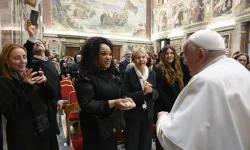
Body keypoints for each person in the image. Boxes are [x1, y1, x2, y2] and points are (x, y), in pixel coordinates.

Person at [157, 29, 250, 150]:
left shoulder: (205, 80)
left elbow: (176, 141)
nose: (184, 61)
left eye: (185, 55)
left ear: (201, 54)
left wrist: (162, 119)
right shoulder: (239, 69)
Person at [74, 37, 136, 150]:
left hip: (112, 125)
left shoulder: (111, 74)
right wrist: (115, 102)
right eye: (103, 54)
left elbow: (119, 92)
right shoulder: (85, 77)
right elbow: (87, 105)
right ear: (93, 56)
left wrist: (125, 99)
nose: (109, 57)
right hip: (95, 129)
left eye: (110, 54)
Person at [0, 44, 59, 150]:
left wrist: (45, 84)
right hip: (24, 137)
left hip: (44, 129)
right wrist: (25, 86)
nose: (23, 61)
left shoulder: (32, 74)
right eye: (17, 58)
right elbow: (12, 112)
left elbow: (50, 98)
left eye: (24, 57)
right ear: (7, 61)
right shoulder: (4, 82)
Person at [24, 20, 62, 136]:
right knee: (46, 134)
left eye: (40, 42)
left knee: (53, 133)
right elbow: (27, 51)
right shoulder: (33, 62)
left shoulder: (49, 62)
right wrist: (32, 36)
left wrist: (59, 98)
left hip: (53, 101)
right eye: (35, 43)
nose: (38, 43)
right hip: (42, 104)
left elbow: (57, 81)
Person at [122, 48, 159, 150]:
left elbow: (156, 94)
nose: (141, 60)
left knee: (146, 142)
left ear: (147, 59)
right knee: (132, 143)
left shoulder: (152, 74)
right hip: (133, 114)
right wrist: (142, 92)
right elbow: (125, 95)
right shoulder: (129, 73)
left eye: (143, 57)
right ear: (133, 60)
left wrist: (151, 91)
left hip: (148, 114)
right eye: (138, 57)